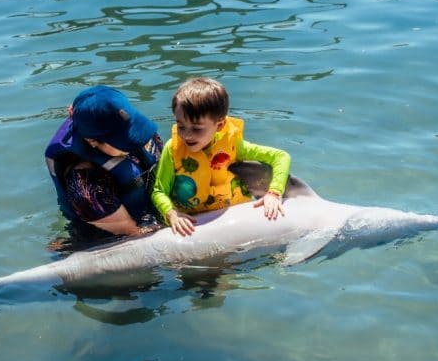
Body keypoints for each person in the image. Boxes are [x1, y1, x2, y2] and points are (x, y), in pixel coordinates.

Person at [151, 77, 291, 236]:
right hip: (194, 224)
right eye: (181, 126)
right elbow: (159, 191)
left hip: (234, 217)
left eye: (197, 129)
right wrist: (172, 214)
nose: (186, 135)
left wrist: (273, 193)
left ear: (220, 125)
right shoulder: (173, 149)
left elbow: (281, 157)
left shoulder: (233, 145)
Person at [45, 85, 163, 241]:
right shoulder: (86, 188)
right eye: (125, 141)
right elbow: (134, 234)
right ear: (92, 141)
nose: (138, 142)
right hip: (110, 238)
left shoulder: (126, 123)